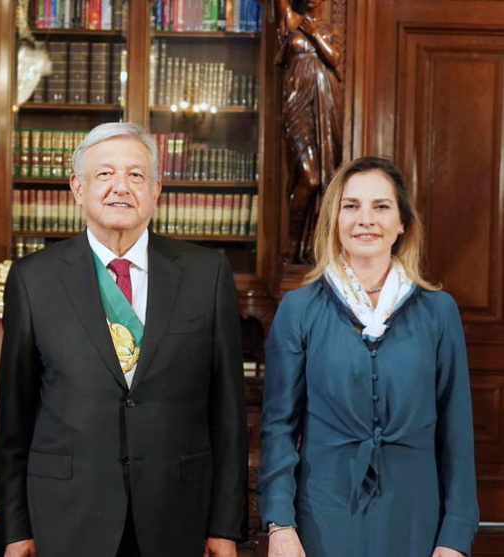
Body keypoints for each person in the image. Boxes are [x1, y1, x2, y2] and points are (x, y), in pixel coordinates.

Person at [0, 122, 248, 557]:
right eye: (105, 174)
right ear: (78, 188)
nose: (121, 187)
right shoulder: (34, 279)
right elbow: (14, 419)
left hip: (177, 513)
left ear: (156, 190)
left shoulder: (206, 275)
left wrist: (225, 525)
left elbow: (228, 413)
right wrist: (16, 529)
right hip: (68, 515)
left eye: (136, 175)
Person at [257, 156, 479, 557]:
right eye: (351, 206)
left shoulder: (439, 311)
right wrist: (280, 525)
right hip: (322, 518)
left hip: (417, 518)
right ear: (334, 220)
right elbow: (278, 429)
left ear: (402, 222)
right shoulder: (299, 309)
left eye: (381, 206)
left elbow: (457, 432)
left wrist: (455, 538)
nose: (366, 220)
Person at [273, 0, 343, 263]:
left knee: (325, 178)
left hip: (326, 101)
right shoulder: (291, 20)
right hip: (297, 105)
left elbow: (334, 58)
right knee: (309, 178)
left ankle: (314, 246)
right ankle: (293, 242)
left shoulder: (331, 29)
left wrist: (314, 34)